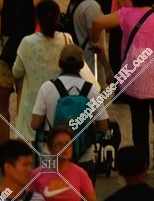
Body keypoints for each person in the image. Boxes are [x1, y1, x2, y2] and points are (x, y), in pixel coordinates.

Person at [91, 0, 154, 175]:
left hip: (135, 76)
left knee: (139, 122)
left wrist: (95, 42)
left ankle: (142, 162)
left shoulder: (126, 14)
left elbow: (97, 22)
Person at [0, 0, 44, 145]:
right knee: (25, 106)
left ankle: (4, 153)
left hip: (3, 55)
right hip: (27, 54)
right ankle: (23, 149)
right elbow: (36, 24)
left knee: (2, 108)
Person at [30, 46, 107, 176]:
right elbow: (104, 127)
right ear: (82, 65)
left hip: (51, 157)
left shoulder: (47, 87)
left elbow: (35, 124)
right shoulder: (91, 90)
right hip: (84, 157)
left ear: (60, 64)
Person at [11, 0, 75, 143]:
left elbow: (16, 72)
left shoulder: (27, 42)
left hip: (32, 109)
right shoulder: (67, 39)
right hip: (61, 108)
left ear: (37, 18)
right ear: (58, 17)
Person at [65, 0, 106, 76]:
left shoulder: (75, 2)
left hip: (80, 62)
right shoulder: (92, 6)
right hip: (91, 66)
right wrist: (107, 68)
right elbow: (95, 43)